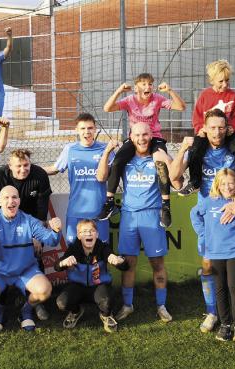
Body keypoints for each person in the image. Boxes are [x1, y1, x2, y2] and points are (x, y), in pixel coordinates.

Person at [168, 109, 235, 334]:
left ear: (227, 128)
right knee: (209, 265)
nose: (216, 132)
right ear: (204, 129)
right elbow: (174, 176)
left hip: (234, 207)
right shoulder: (199, 149)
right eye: (212, 127)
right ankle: (213, 312)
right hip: (210, 212)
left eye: (221, 127)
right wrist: (182, 149)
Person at [104, 123, 180, 323]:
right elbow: (104, 175)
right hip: (129, 216)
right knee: (128, 264)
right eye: (137, 134)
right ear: (131, 136)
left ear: (151, 135)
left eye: (145, 134)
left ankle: (161, 305)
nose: (142, 138)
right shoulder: (124, 158)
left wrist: (168, 157)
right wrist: (107, 151)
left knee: (157, 263)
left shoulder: (158, 157)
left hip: (152, 215)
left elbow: (176, 180)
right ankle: (127, 305)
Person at [99, 73, 186, 227]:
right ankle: (110, 202)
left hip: (154, 138)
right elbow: (107, 108)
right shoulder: (129, 100)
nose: (148, 87)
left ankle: (165, 206)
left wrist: (170, 91)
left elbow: (181, 107)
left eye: (150, 84)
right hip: (135, 138)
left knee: (160, 162)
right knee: (118, 161)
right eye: (144, 84)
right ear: (136, 87)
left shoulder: (158, 99)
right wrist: (119, 91)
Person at [0, 186, 62, 332]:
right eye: (6, 198)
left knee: (45, 291)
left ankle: (25, 310)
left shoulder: (28, 220)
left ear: (19, 201)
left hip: (24, 270)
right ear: (0, 202)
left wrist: (56, 230)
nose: (11, 201)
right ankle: (0, 310)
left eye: (14, 197)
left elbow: (51, 240)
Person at [0, 148, 53, 320]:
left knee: (36, 254)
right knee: (1, 256)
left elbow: (42, 210)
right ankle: (1, 296)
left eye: (26, 165)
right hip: (5, 224)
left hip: (31, 223)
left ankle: (35, 302)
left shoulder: (40, 175)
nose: (23, 169)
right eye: (18, 166)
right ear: (9, 166)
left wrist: (36, 236)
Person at [191, 169, 235, 342]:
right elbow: (194, 214)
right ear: (217, 185)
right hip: (215, 252)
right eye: (223, 183)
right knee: (219, 288)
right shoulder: (209, 201)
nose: (227, 187)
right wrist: (204, 235)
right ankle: (225, 325)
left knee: (233, 286)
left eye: (231, 183)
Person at [179, 59, 235, 195]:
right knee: (195, 150)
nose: (225, 84)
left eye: (227, 80)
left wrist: (233, 127)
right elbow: (197, 116)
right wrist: (200, 129)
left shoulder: (232, 95)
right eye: (221, 81)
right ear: (212, 80)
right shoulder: (205, 95)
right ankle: (195, 181)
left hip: (226, 132)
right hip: (208, 133)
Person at [45, 113, 115, 246]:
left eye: (90, 128)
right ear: (77, 130)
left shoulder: (106, 149)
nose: (87, 132)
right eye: (83, 128)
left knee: (101, 254)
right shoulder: (70, 149)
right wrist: (30, 169)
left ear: (95, 129)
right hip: (76, 211)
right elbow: (54, 169)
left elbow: (108, 176)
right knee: (74, 253)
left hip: (99, 211)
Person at [54, 219, 128, 333]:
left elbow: (125, 267)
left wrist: (119, 261)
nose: (88, 234)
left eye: (92, 231)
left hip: (99, 286)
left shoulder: (103, 248)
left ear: (97, 234)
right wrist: (63, 262)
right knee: (62, 303)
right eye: (84, 231)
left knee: (107, 302)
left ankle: (106, 315)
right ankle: (75, 312)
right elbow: (57, 266)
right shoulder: (74, 248)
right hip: (78, 287)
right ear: (78, 235)